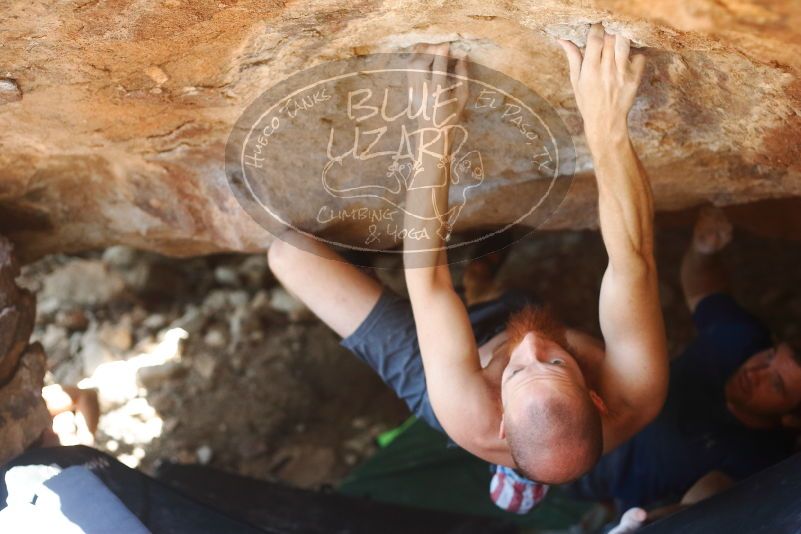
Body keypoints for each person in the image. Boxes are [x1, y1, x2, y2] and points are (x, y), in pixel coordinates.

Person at [268, 27, 668, 489]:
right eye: (556, 364)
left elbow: (430, 281)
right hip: (487, 351)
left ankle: (482, 293)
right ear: (597, 399)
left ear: (502, 421)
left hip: (442, 367)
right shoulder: (636, 393)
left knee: (288, 255)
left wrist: (433, 131)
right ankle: (488, 290)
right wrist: (606, 123)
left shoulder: (468, 413)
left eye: (516, 371)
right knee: (530, 313)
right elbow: (633, 261)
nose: (530, 348)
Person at [567, 206, 800, 525]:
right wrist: (703, 251)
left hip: (602, 485)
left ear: (788, 418)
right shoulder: (742, 340)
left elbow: (702, 503)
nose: (756, 371)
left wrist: (648, 522)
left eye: (775, 384)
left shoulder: (758, 458)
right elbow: (703, 289)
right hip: (585, 416)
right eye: (771, 356)